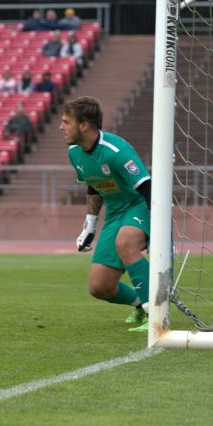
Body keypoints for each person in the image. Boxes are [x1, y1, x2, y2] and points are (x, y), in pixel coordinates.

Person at [60, 96, 152, 332]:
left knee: (126, 243)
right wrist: (90, 224)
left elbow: (146, 186)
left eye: (66, 122)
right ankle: (142, 304)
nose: (61, 127)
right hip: (113, 213)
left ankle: (157, 312)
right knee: (99, 287)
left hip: (139, 204)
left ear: (84, 125)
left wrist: (162, 231)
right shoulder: (75, 152)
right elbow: (93, 185)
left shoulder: (116, 150)